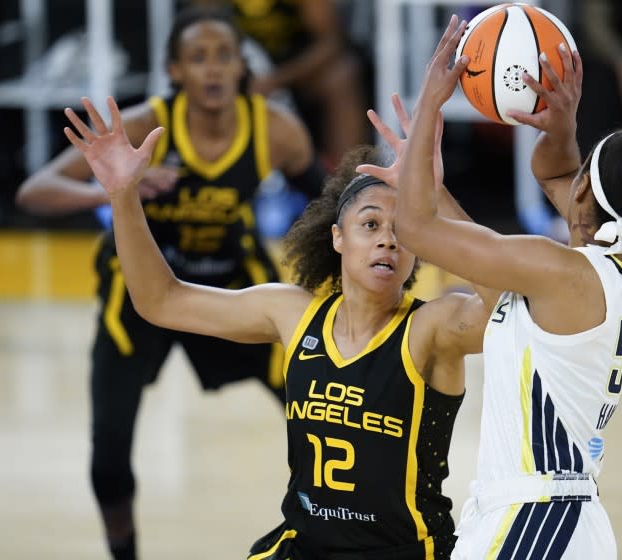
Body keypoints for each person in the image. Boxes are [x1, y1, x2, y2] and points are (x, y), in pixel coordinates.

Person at [60, 82, 496, 558]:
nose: (387, 241)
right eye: (370, 225)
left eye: (402, 231)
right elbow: (161, 301)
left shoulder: (433, 327)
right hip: (302, 546)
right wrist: (124, 196)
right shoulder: (292, 312)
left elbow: (510, 307)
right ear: (337, 238)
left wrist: (437, 196)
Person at [386, 16, 622, 558]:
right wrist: (561, 128)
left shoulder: (559, 271)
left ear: (585, 186)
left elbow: (415, 230)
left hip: (531, 525)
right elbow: (553, 175)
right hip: (565, 522)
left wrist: (431, 104)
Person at [14, 6, 326, 559]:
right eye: (198, 57)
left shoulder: (276, 131)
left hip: (231, 286)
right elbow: (33, 191)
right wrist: (115, 191)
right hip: (139, 290)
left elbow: (332, 207)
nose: (212, 68)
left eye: (223, 56)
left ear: (241, 68)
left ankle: (334, 530)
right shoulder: (141, 126)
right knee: (108, 455)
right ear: (175, 70)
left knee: (321, 410)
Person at [195, 0, 369, 168]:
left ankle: (347, 178)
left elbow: (331, 42)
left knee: (342, 75)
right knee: (200, 75)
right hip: (240, 69)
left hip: (298, 71)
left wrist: (276, 80)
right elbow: (198, 32)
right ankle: (206, 171)